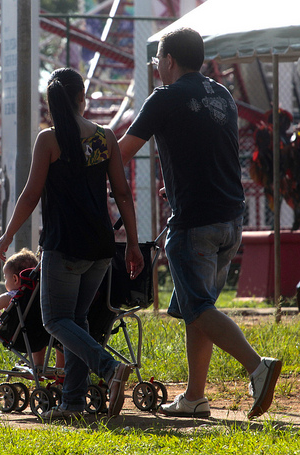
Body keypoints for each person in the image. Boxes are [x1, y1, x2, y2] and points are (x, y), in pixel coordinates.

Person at [118, 27, 282, 419]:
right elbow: (210, 149)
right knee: (197, 307)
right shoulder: (222, 95)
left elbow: (122, 150)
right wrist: (176, 184)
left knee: (199, 307)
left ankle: (258, 367)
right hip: (230, 218)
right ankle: (194, 397)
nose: (156, 66)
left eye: (158, 58)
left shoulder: (164, 98)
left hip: (194, 223)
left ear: (169, 60)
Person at [0, 67, 144, 421]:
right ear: (81, 97)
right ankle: (71, 403)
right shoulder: (105, 138)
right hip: (102, 249)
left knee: (55, 321)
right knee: (77, 322)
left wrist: (8, 234)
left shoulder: (49, 140)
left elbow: (30, 195)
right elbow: (122, 192)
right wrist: (132, 243)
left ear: (52, 101)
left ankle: (107, 368)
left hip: (64, 247)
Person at [0, 248, 65, 370]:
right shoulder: (43, 295)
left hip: (19, 338)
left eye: (5, 278)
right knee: (37, 331)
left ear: (15, 279)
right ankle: (50, 369)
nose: (5, 281)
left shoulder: (11, 296)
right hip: (44, 336)